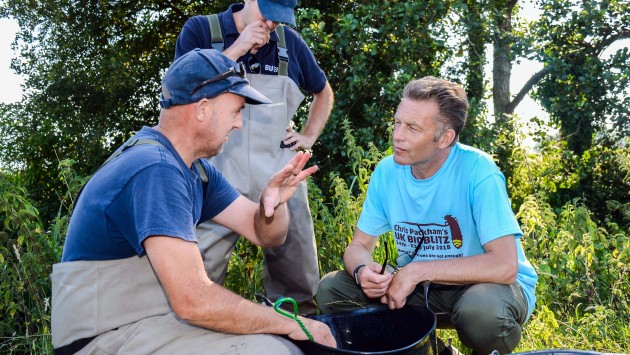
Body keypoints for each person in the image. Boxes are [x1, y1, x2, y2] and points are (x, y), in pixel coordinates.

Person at [51, 48, 336, 354]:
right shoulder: (155, 169)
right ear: (201, 109)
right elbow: (194, 301)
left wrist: (274, 204)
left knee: (278, 341)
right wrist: (294, 323)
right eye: (236, 110)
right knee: (278, 350)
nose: (239, 124)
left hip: (149, 322)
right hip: (101, 338)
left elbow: (265, 235)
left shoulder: (195, 171)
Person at [316, 76, 538, 355]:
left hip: (487, 287)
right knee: (332, 290)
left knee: (482, 314)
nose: (398, 135)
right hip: (419, 287)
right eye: (397, 122)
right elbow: (359, 246)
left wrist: (416, 270)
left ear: (445, 138)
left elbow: (504, 267)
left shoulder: (479, 172)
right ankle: (430, 353)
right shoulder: (387, 172)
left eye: (412, 128)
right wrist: (363, 272)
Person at [174, 0, 334, 316]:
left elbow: (323, 92)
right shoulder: (202, 31)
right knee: (195, 274)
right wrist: (237, 49)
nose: (273, 24)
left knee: (298, 281)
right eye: (268, 15)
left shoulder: (289, 43)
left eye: (280, 18)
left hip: (279, 177)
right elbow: (181, 90)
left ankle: (295, 335)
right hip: (215, 176)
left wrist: (308, 136)